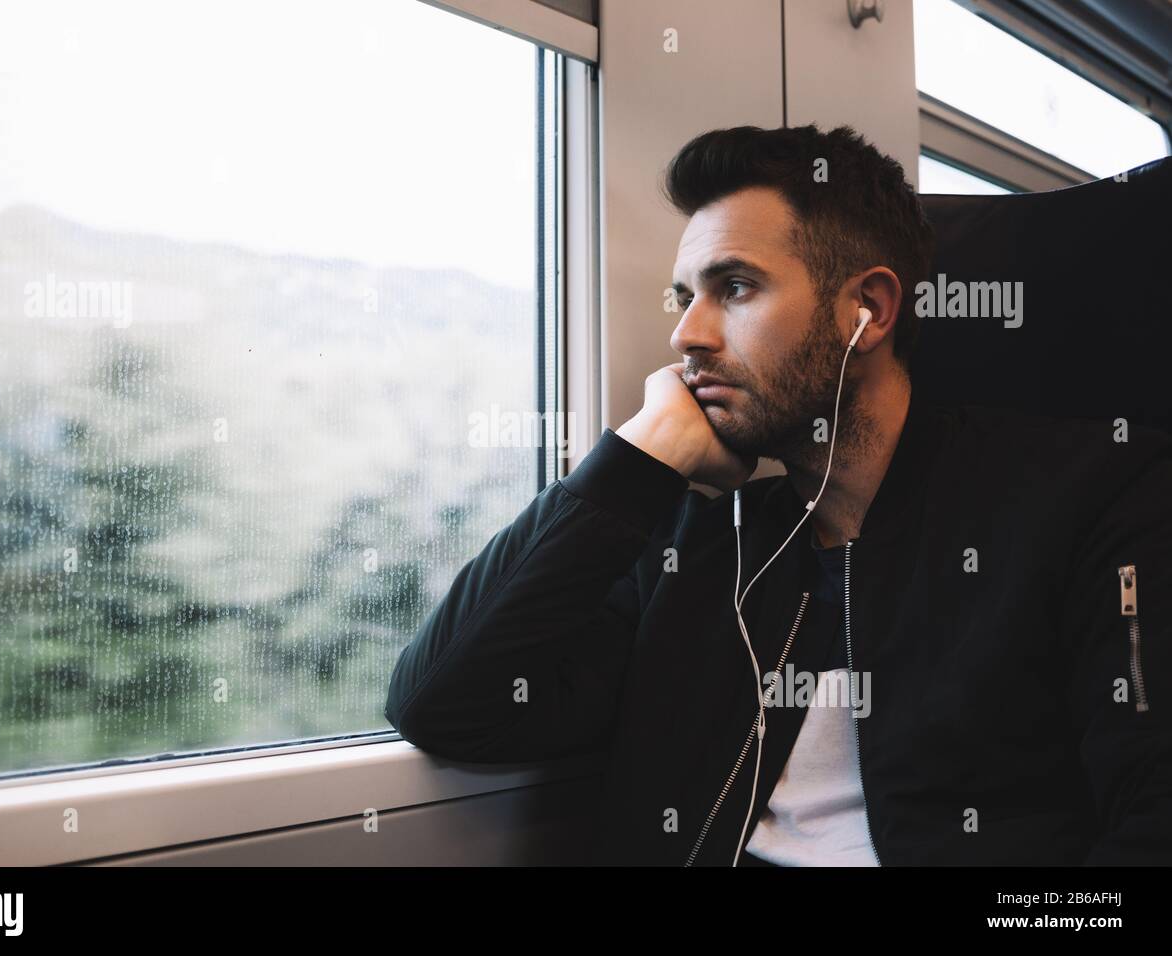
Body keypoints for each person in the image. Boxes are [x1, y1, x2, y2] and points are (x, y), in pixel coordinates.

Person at [384, 124, 1172, 865]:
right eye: (685, 296)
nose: (687, 334)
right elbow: (447, 702)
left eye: (734, 287)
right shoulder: (700, 549)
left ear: (868, 311)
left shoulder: (1089, 498)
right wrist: (635, 462)